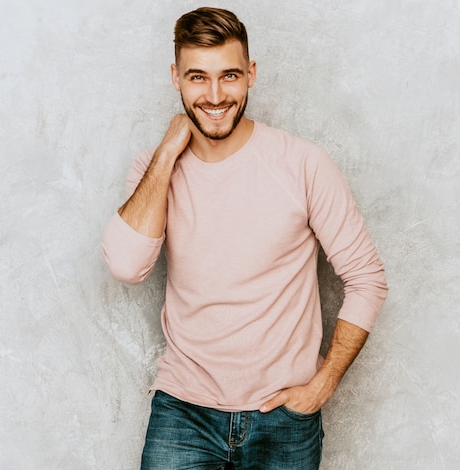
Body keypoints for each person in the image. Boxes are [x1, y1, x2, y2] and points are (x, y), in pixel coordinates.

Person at [102, 6, 388, 470]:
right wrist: (170, 150)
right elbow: (126, 266)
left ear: (251, 74)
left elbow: (367, 279)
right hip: (183, 413)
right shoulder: (156, 170)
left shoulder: (302, 164)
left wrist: (323, 383)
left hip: (283, 419)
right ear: (175, 78)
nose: (215, 95)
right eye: (197, 77)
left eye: (229, 75)